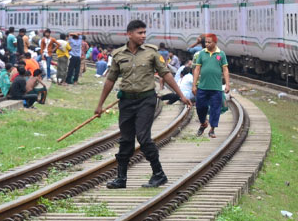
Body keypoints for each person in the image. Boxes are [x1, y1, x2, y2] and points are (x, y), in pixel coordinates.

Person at [95, 20, 191, 189]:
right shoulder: (118, 55)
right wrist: (100, 105)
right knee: (125, 140)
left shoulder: (151, 53)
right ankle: (121, 178)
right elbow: (110, 80)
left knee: (143, 137)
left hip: (146, 100)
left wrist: (181, 95)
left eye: (144, 33)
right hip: (126, 101)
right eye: (140, 33)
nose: (143, 36)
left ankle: (158, 174)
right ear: (129, 34)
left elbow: (166, 74)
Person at [193, 33, 230, 137]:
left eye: (209, 42)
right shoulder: (201, 54)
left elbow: (225, 70)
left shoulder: (221, 54)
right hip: (202, 87)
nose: (207, 44)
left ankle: (212, 129)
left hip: (216, 88)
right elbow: (197, 69)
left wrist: (227, 84)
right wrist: (194, 85)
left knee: (215, 109)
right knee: (200, 107)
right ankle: (203, 123)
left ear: (215, 42)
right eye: (206, 42)